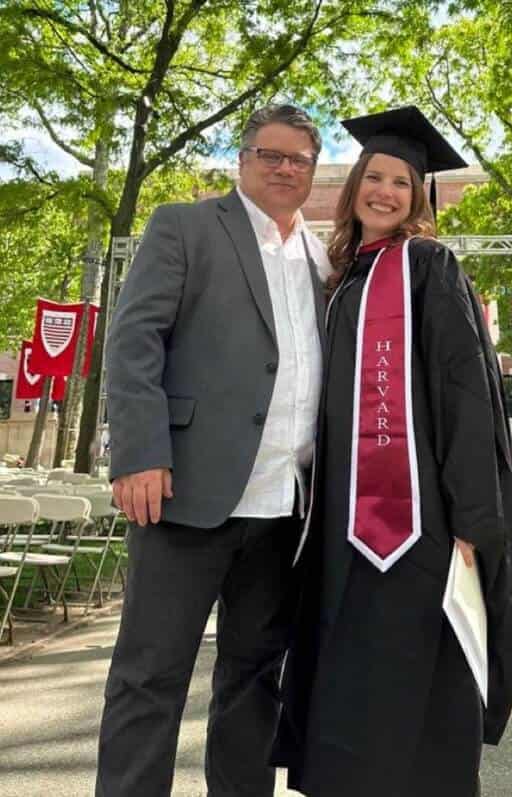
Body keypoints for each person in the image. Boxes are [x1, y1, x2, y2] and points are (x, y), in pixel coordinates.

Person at [273, 107, 512, 797]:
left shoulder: (428, 265)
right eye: (374, 177)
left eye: (402, 184)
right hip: (342, 529)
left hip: (416, 525)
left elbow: (466, 392)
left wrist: (473, 518)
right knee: (349, 679)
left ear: (419, 199)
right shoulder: (345, 278)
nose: (385, 192)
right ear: (355, 185)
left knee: (414, 683)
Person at [96, 104, 330, 797]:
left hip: (286, 506)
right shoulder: (186, 226)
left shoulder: (324, 256)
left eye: (299, 160)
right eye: (271, 154)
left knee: (254, 680)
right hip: (183, 492)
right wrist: (139, 451)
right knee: (150, 675)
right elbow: (134, 341)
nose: (285, 169)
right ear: (243, 158)